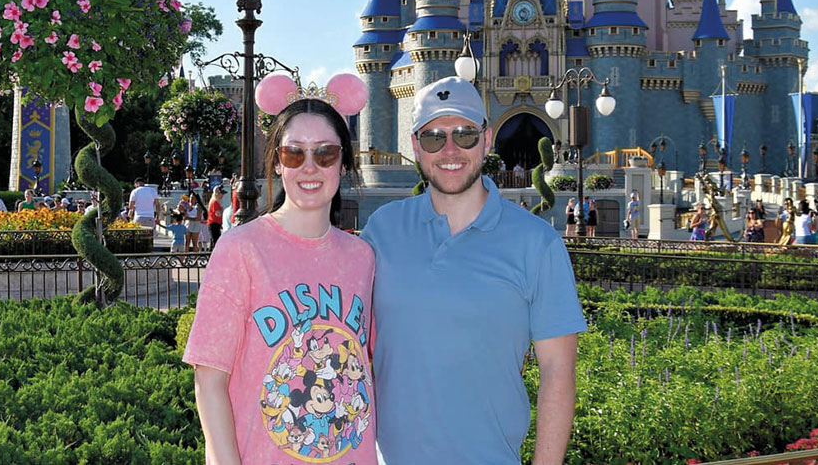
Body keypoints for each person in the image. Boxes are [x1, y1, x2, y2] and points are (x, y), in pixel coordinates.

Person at [362, 76, 586, 463]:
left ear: (486, 139)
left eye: (464, 134)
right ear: (416, 147)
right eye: (434, 137)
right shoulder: (382, 231)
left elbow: (558, 371)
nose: (450, 149)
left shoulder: (537, 243)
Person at [186, 78, 376, 464]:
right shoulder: (241, 249)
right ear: (276, 161)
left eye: (325, 154)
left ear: (343, 162)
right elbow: (209, 381)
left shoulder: (362, 258)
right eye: (294, 154)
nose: (310, 167)